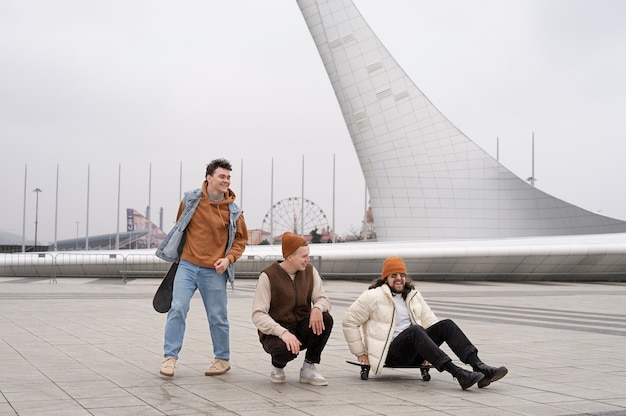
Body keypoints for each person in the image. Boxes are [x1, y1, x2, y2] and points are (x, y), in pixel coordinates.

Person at [342, 256, 508, 390]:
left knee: (446, 325)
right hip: (391, 353)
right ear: (386, 278)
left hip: (415, 349)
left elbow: (431, 322)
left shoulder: (413, 295)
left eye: (402, 275)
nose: (399, 279)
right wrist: (360, 352)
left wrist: (431, 351)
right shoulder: (372, 296)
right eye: (394, 275)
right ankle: (458, 374)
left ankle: (480, 367)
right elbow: (349, 321)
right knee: (415, 330)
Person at [155, 158, 248, 378]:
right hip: (186, 265)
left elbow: (240, 241)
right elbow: (181, 225)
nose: (226, 181)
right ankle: (170, 358)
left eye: (228, 177)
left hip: (214, 271)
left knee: (218, 316)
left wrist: (228, 259)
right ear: (209, 178)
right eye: (222, 176)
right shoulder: (191, 199)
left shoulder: (234, 211)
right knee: (177, 308)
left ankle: (222, 359)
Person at [251, 232, 333, 386]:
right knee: (283, 350)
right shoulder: (268, 276)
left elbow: (323, 299)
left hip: (301, 326)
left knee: (325, 318)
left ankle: (308, 368)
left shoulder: (310, 272)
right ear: (289, 256)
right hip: (276, 333)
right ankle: (277, 366)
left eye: (308, 255)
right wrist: (282, 332)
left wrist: (317, 308)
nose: (307, 260)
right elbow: (258, 315)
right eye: (304, 256)